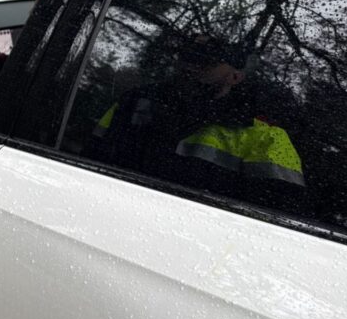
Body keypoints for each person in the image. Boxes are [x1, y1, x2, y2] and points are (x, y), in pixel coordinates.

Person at [87, 35, 303, 207]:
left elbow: (276, 223)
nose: (190, 66)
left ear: (235, 76)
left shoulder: (266, 137)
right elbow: (87, 165)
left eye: (205, 60)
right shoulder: (132, 104)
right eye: (186, 57)